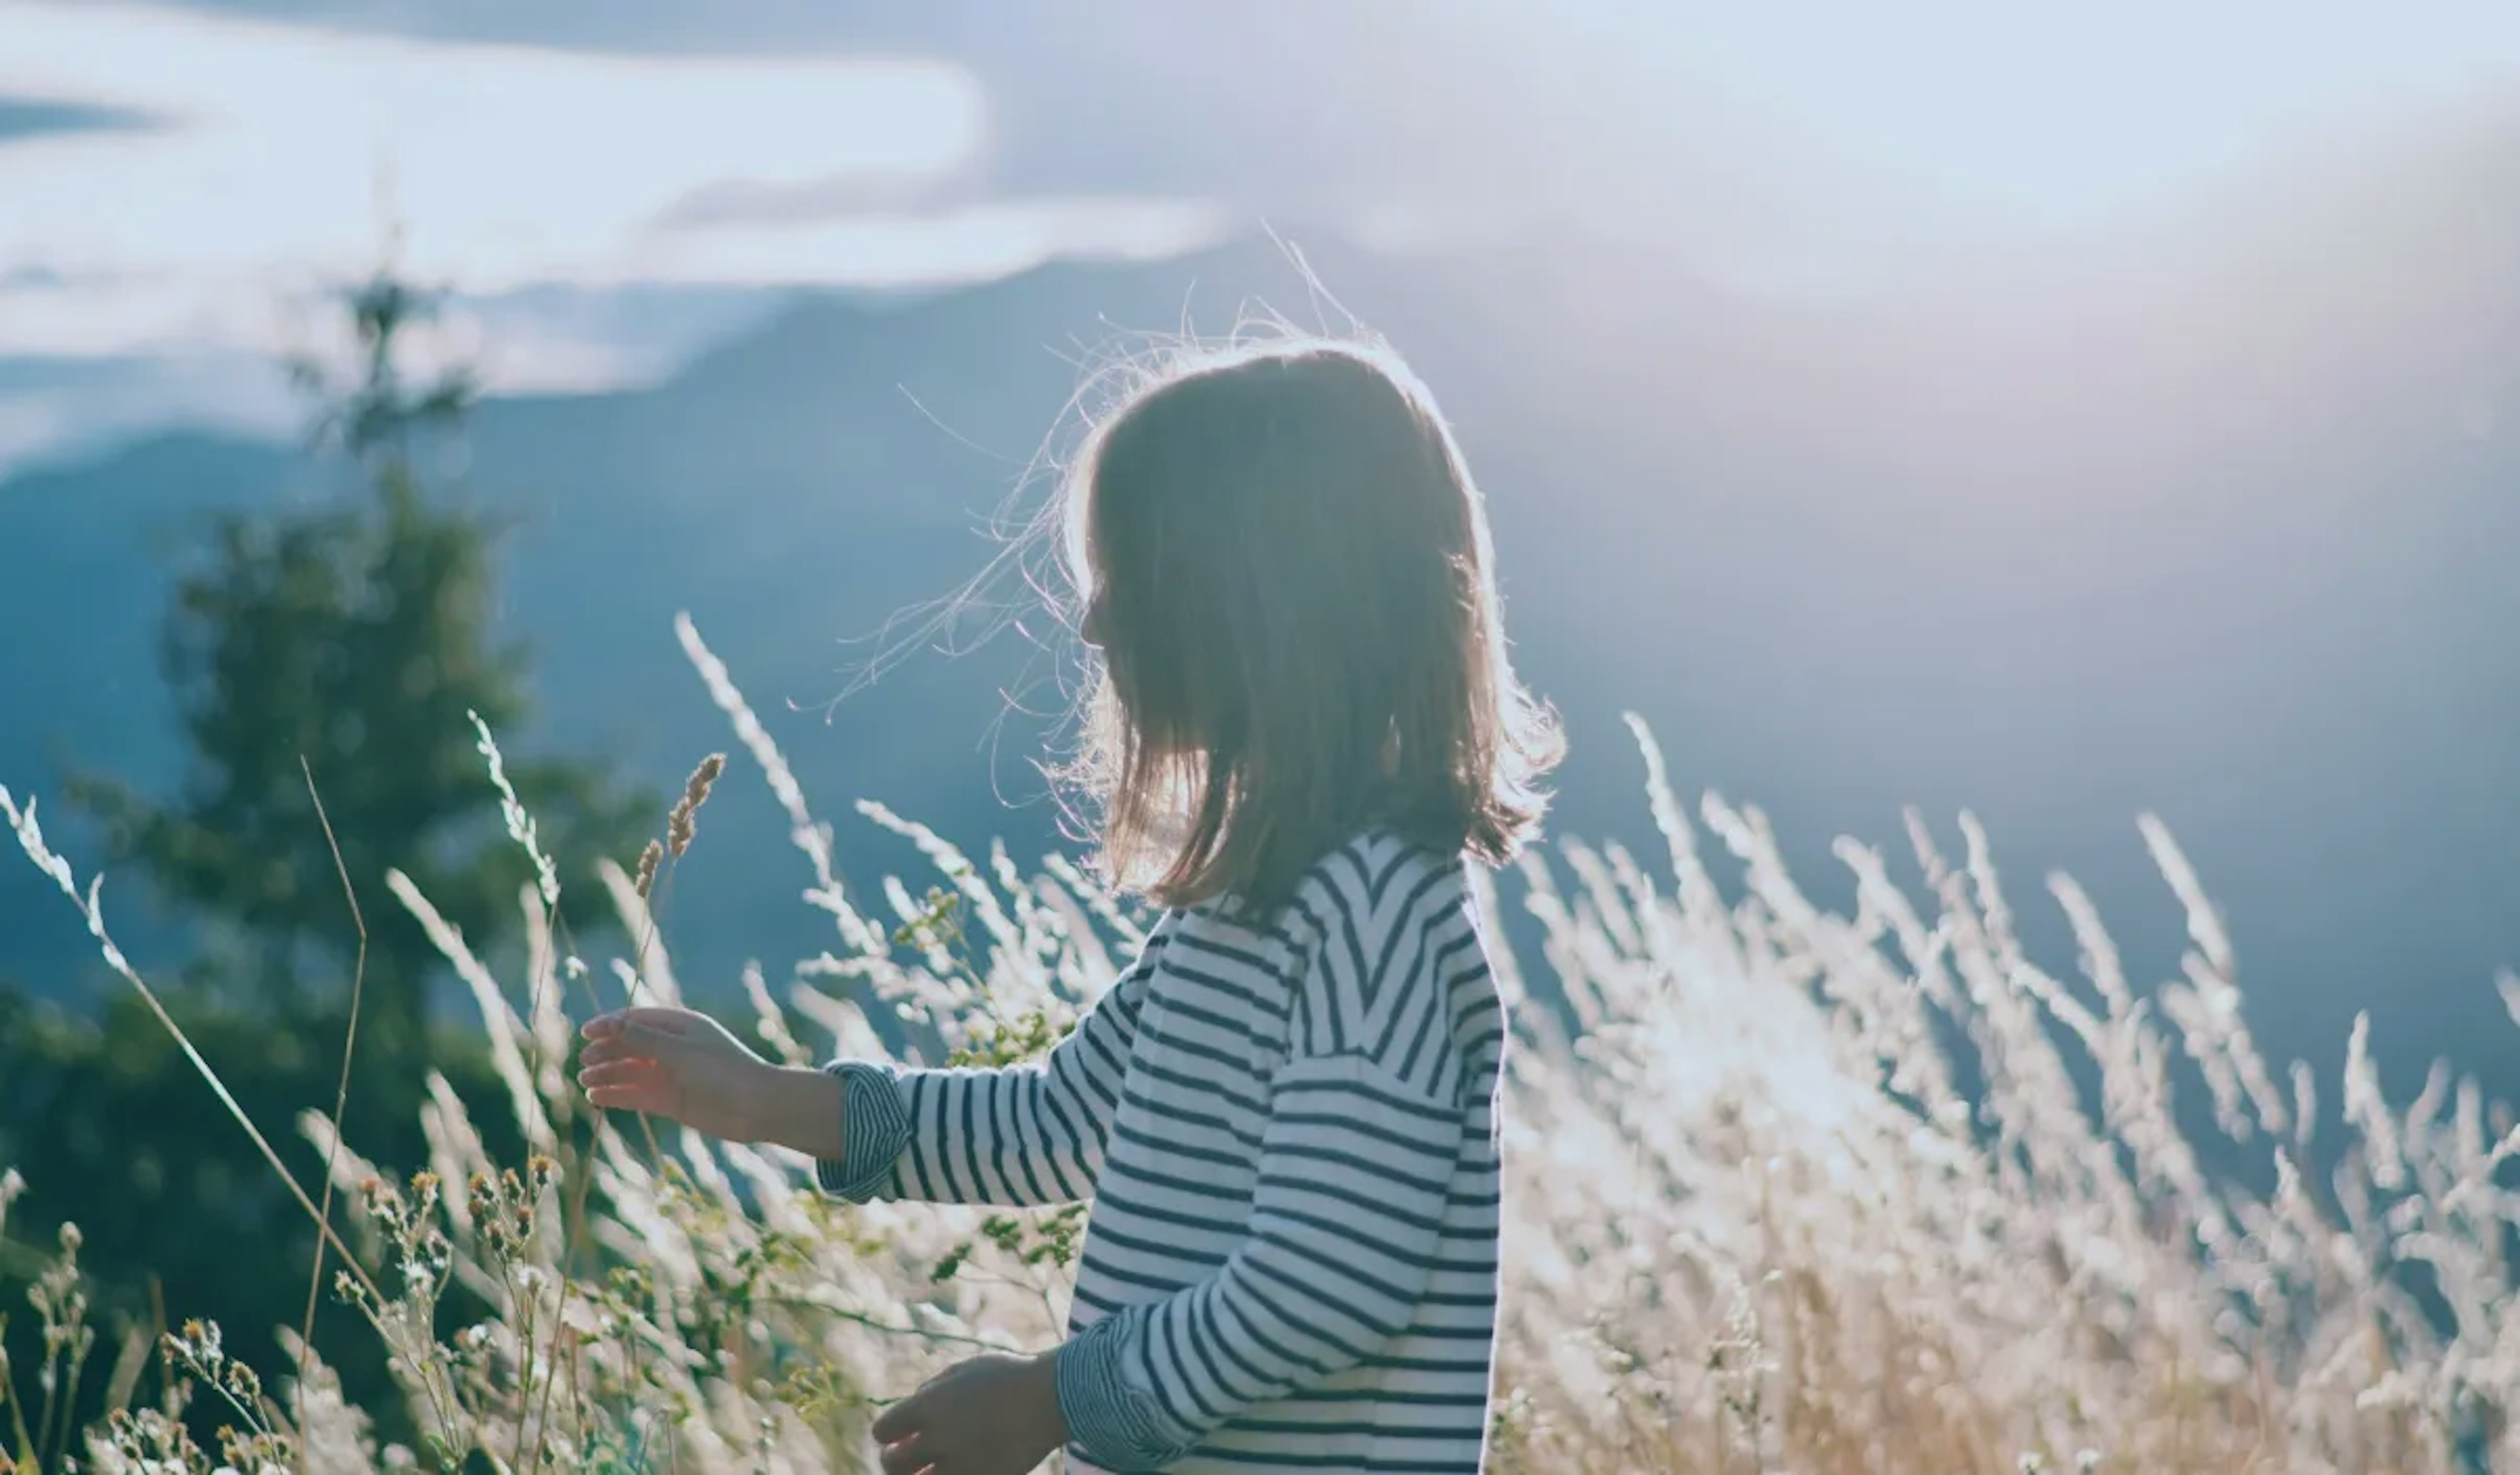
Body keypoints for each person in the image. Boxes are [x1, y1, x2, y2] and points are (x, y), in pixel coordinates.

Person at [576, 332, 1561, 1474]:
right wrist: (765, 1103)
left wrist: (1048, 1402)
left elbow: (1327, 1282)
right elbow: (1059, 1121)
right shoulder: (1245, 905)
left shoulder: (1375, 910)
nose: (1095, 627)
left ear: (1261, 606)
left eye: (1132, 583)